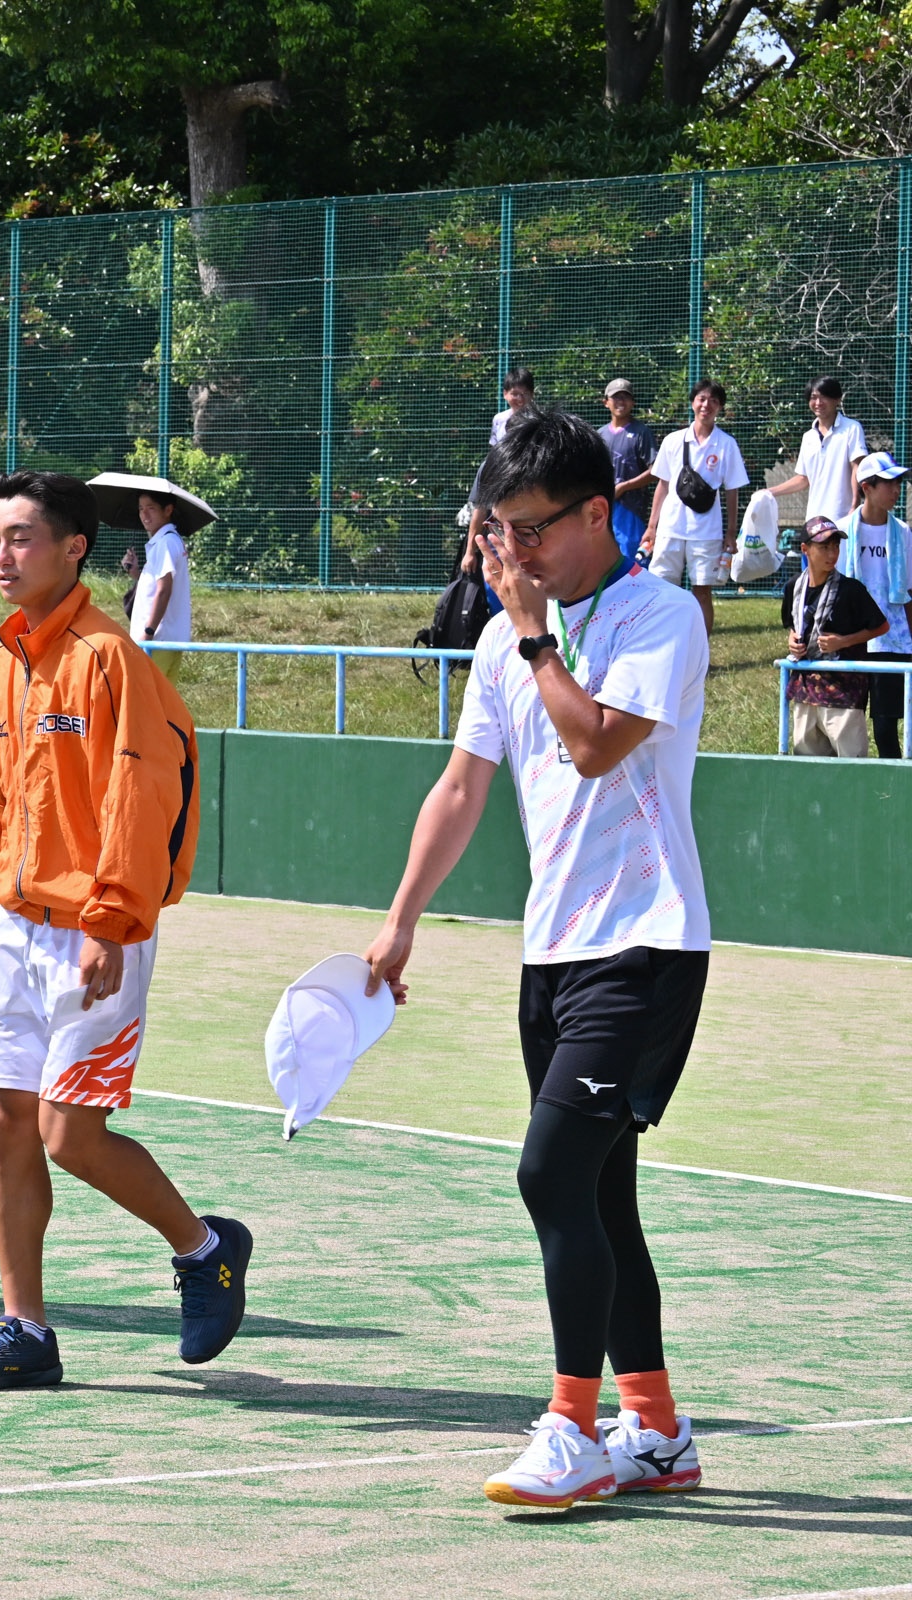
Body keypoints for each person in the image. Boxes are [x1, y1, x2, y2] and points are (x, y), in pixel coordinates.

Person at [364, 407, 711, 1510]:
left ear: (596, 514)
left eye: (530, 530)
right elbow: (462, 785)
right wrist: (402, 918)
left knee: (549, 1174)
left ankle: (572, 1427)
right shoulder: (502, 642)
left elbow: (596, 745)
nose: (510, 552)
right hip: (552, 951)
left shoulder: (660, 615)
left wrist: (532, 636)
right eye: (497, 531)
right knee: (602, 1197)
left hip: (646, 942)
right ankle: (656, 1429)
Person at [0, 469, 243, 1390]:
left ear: (74, 548)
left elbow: (139, 796)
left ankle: (206, 1249)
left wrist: (109, 918)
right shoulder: (0, 664)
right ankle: (23, 1329)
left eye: (21, 538)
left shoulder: (112, 657)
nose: (2, 555)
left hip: (97, 931)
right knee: (7, 1124)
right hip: (16, 928)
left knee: (70, 1134)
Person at [642, 380, 748, 637]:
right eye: (701, 399)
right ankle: (663, 644)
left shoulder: (726, 444)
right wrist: (652, 527)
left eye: (713, 401)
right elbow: (663, 485)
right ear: (692, 402)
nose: (706, 405)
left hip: (706, 532)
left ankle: (700, 652)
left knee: (702, 591)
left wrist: (730, 533)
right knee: (662, 589)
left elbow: (732, 490)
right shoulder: (673, 440)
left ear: (720, 407)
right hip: (670, 528)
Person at [781, 518, 890, 759]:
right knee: (807, 764)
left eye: (836, 547)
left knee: (851, 765)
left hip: (844, 692)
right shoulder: (793, 587)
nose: (832, 554)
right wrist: (792, 641)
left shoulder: (851, 590)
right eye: (824, 547)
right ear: (805, 549)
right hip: (805, 691)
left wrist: (843, 641)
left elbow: (881, 626)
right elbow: (793, 624)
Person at [849, 452, 912, 759]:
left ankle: (897, 781)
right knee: (848, 723)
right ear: (867, 488)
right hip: (852, 639)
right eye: (889, 483)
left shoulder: (903, 532)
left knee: (886, 725)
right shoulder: (841, 532)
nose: (896, 490)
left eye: (899, 482)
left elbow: (909, 590)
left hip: (892, 640)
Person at [460, 370, 539, 581]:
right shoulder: (499, 419)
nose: (519, 399)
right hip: (502, 474)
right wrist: (470, 551)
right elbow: (495, 449)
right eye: (514, 393)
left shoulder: (538, 419)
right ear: (505, 394)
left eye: (524, 394)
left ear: (532, 395)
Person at [768, 377, 866, 533]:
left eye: (824, 397)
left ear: (837, 399)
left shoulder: (852, 428)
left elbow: (857, 467)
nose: (818, 402)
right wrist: (768, 493)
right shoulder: (808, 437)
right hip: (814, 522)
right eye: (813, 397)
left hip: (844, 519)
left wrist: (855, 505)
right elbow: (803, 479)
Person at [598, 380, 657, 568]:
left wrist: (624, 487)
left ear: (633, 402)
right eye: (616, 397)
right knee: (603, 564)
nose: (621, 401)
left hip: (632, 510)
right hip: (602, 510)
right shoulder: (599, 435)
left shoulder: (642, 433)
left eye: (626, 397)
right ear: (606, 402)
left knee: (631, 565)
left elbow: (656, 471)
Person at [135, 489, 192, 644]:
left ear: (168, 510)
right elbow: (157, 584)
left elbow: (164, 590)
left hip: (158, 639)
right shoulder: (168, 540)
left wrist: (148, 631)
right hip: (164, 638)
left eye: (151, 508)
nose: (144, 515)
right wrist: (135, 572)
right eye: (141, 509)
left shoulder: (166, 542)